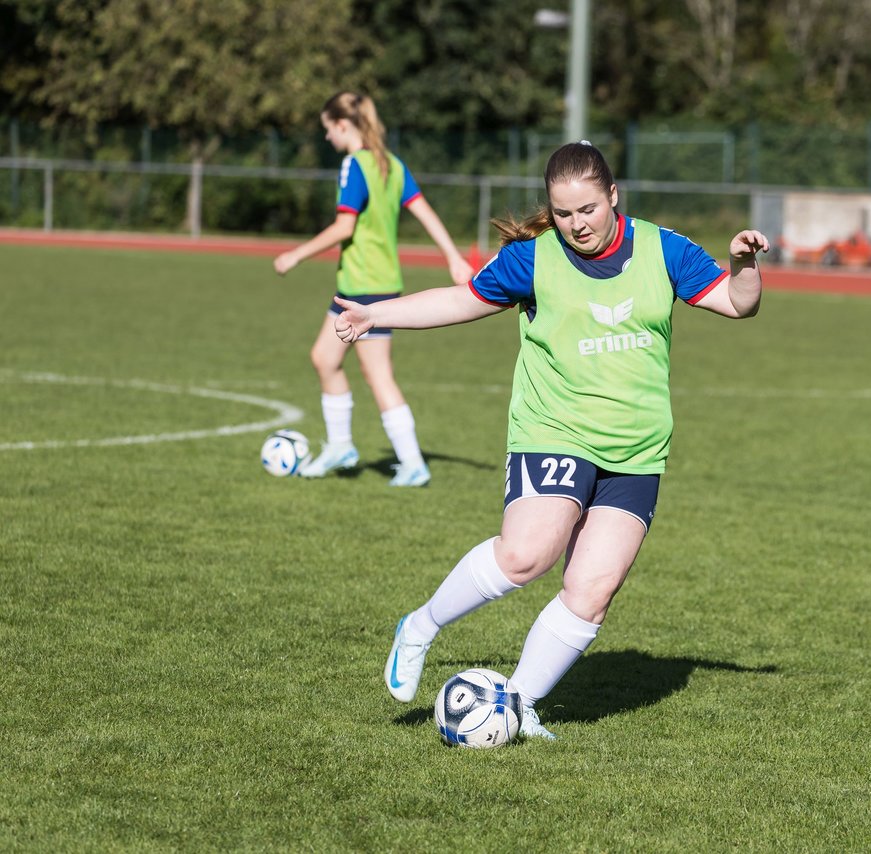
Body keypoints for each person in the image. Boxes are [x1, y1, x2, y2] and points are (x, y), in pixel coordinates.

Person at [338, 141, 769, 738]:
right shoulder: (533, 260)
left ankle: (518, 705)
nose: (577, 224)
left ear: (613, 196)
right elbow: (459, 300)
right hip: (554, 428)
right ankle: (420, 626)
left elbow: (737, 303)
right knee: (526, 556)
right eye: (563, 213)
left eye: (588, 210)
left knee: (591, 591)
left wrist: (744, 265)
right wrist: (375, 314)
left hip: (637, 450)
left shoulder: (663, 249)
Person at [273, 91, 474, 487]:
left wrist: (296, 255)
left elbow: (344, 226)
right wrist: (451, 255)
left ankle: (413, 463)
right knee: (324, 358)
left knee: (377, 374)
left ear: (343, 125)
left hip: (366, 287)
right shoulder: (392, 165)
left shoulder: (354, 165)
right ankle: (341, 446)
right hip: (368, 283)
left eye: (327, 129)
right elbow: (424, 210)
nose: (327, 138)